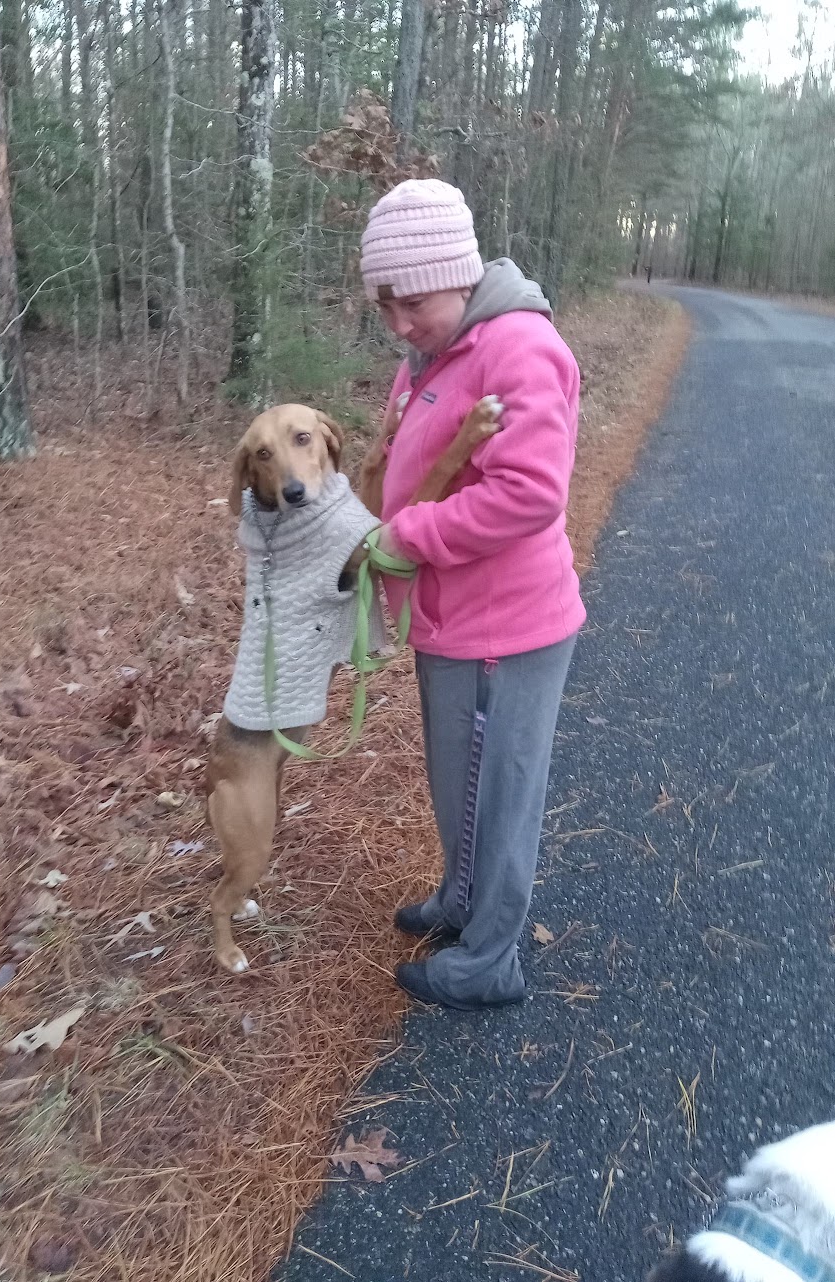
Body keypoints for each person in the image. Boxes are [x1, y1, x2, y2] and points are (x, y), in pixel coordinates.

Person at [359, 179, 585, 1010]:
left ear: (455, 276)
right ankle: (460, 902)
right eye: (384, 306)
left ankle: (489, 958)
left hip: (504, 627)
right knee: (463, 783)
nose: (397, 324)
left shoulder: (517, 347)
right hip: (451, 619)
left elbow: (528, 493)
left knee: (498, 798)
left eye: (410, 303)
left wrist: (408, 538)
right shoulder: (434, 352)